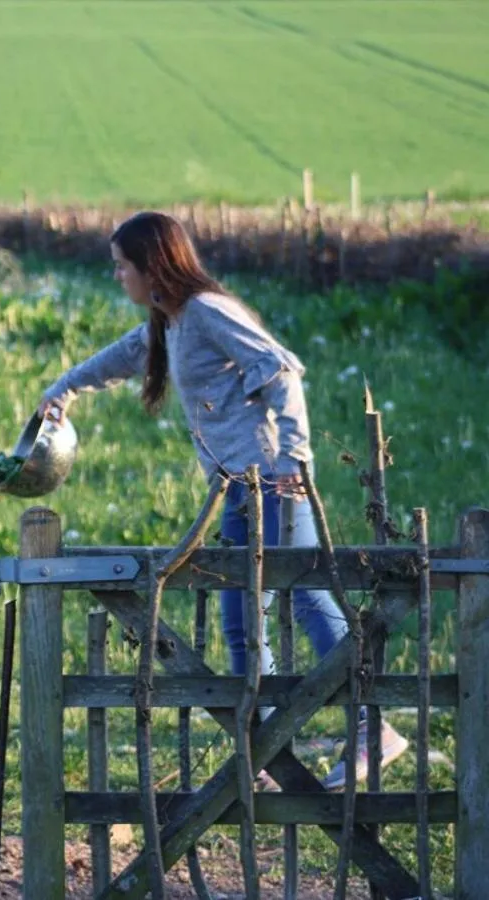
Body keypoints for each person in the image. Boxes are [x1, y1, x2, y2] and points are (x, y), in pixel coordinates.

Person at [37, 210, 406, 791]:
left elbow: (281, 370)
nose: (117, 277)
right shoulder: (172, 320)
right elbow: (124, 354)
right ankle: (261, 748)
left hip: (273, 486)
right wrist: (63, 389)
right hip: (236, 493)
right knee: (240, 625)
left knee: (307, 599)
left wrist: (291, 464)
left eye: (121, 266)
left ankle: (374, 726)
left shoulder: (208, 312)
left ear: (151, 265)